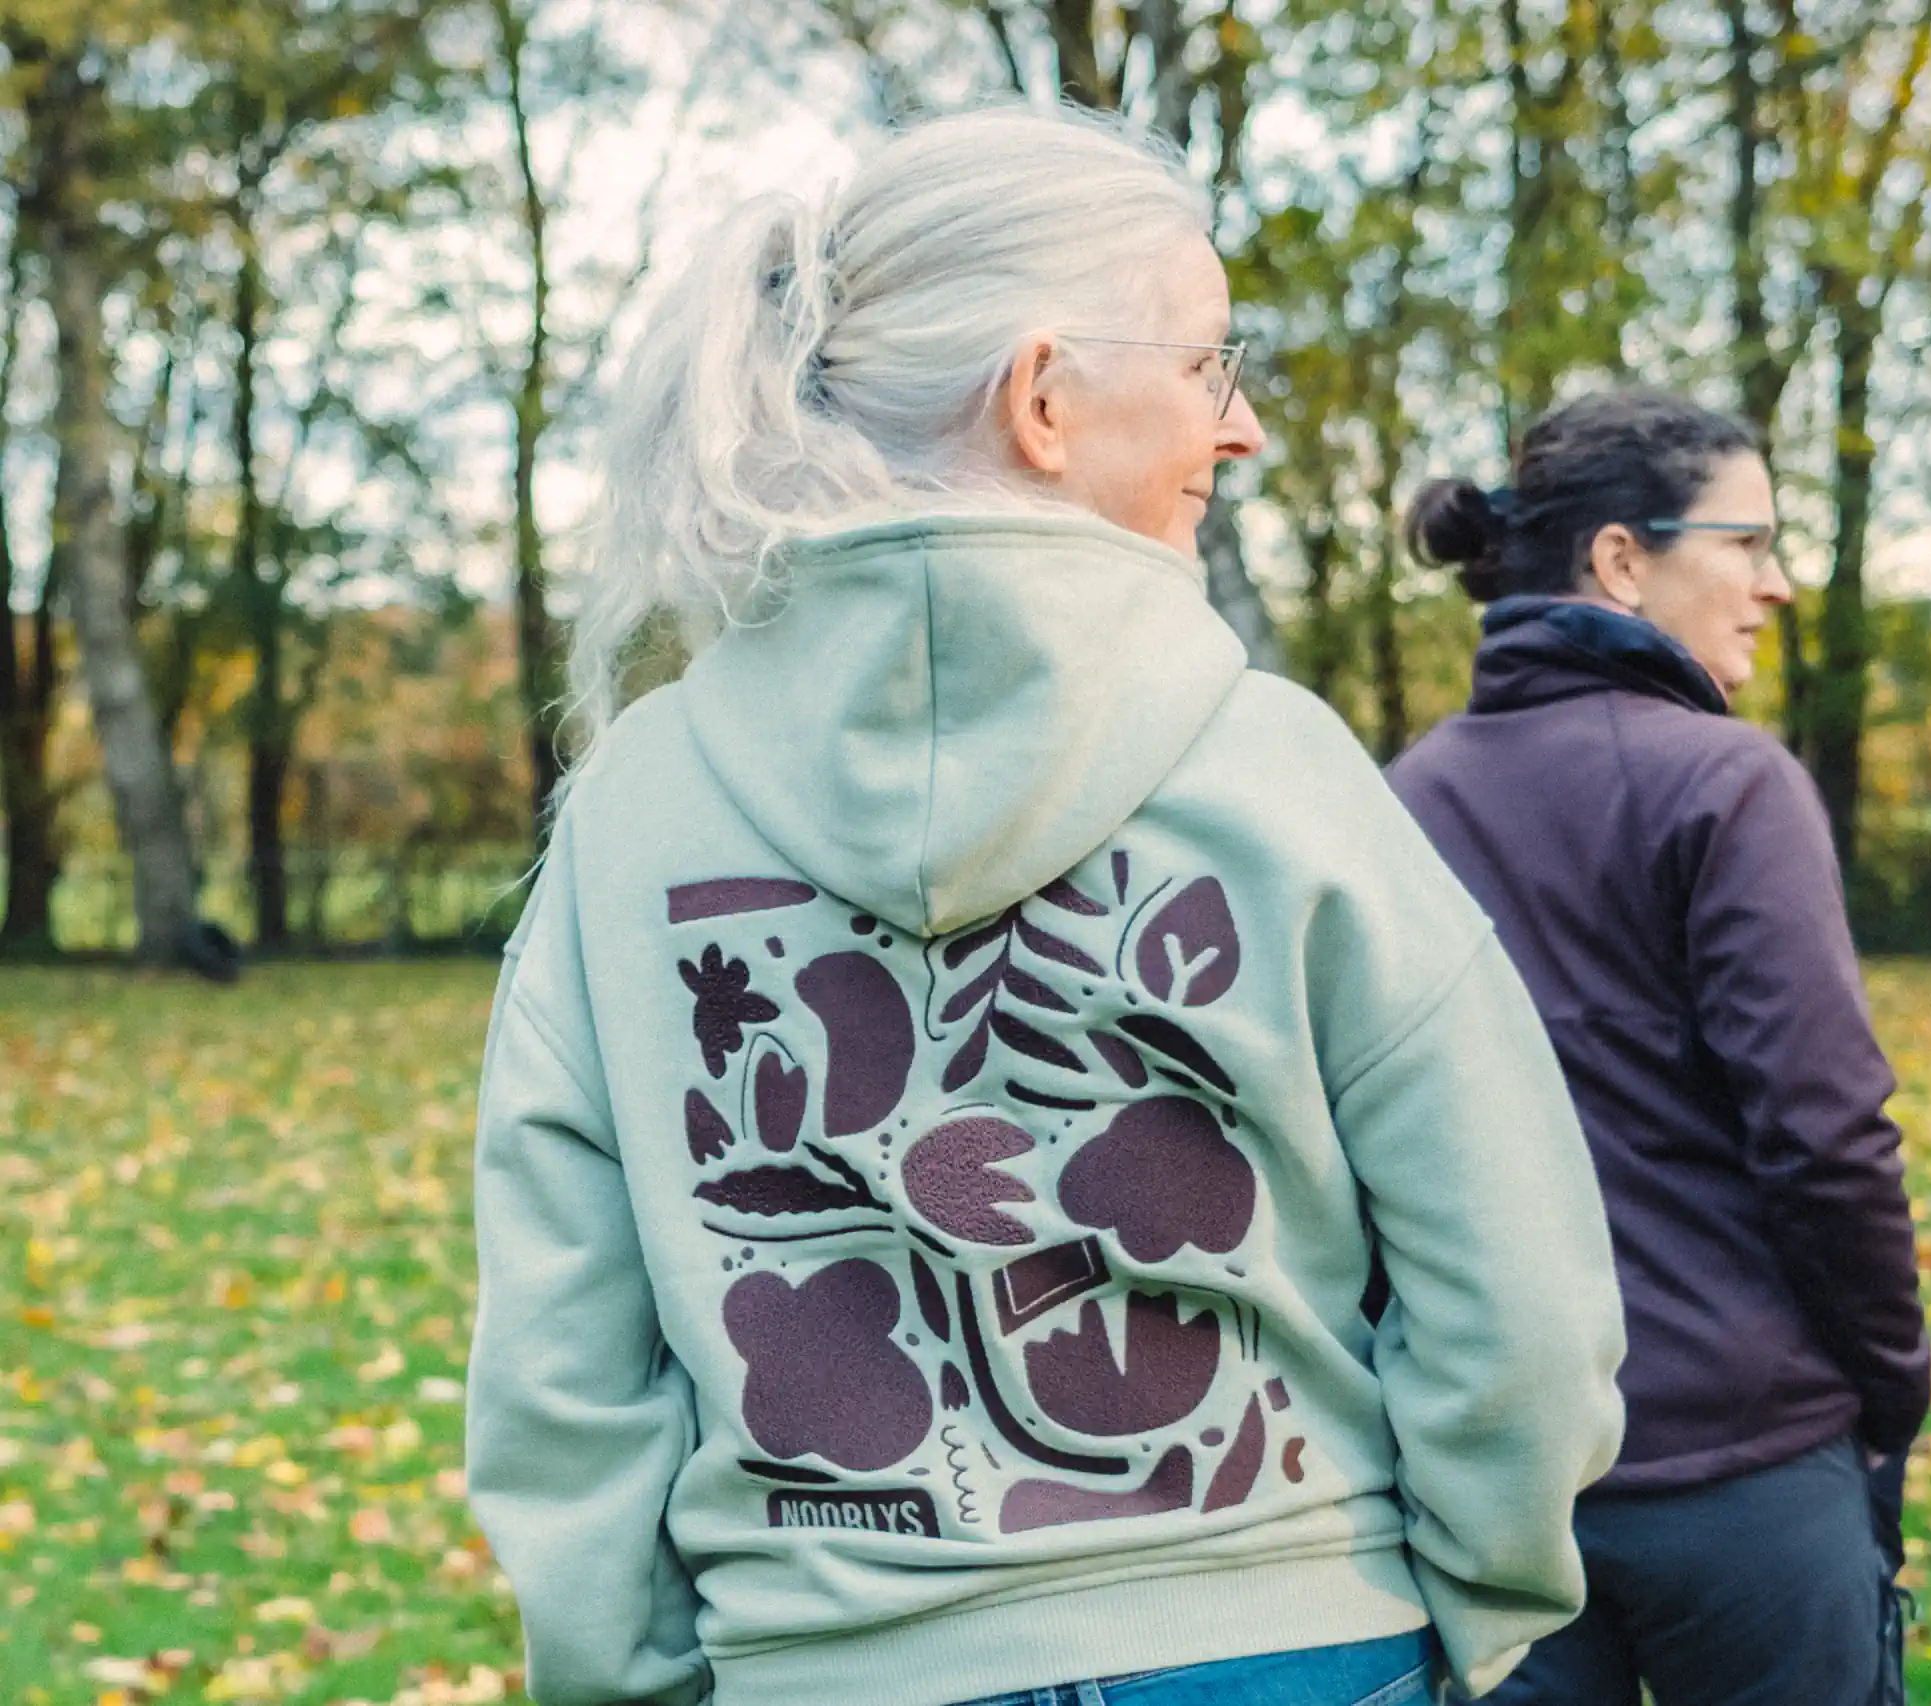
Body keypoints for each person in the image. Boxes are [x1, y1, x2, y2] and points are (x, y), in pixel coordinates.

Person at [465, 108, 1626, 1706]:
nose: (1241, 427)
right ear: (1044, 398)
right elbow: (1517, 1285)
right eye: (1209, 364)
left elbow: (560, 1359)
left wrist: (631, 1677)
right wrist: (1478, 1593)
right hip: (1283, 1651)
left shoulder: (634, 812)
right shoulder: (1280, 770)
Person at [1388, 390, 1931, 1706]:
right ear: (1622, 560)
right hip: (1744, 1480)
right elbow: (1826, 1137)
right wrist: (1890, 1389)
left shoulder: (1396, 799)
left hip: (1497, 1486)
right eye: (1747, 544)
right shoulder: (1728, 783)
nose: (1776, 584)